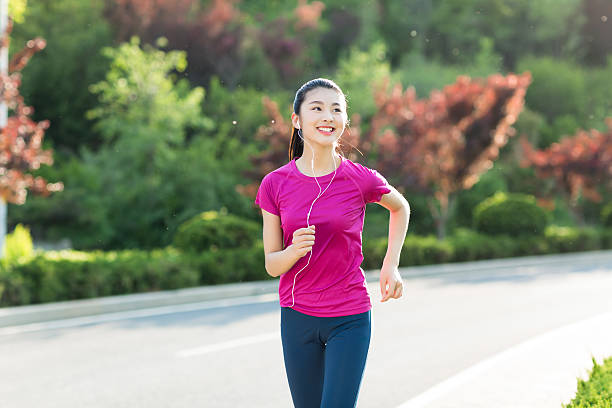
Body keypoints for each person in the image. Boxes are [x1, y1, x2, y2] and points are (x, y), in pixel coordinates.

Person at [254, 78, 410, 408]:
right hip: (297, 316)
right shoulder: (275, 184)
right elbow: (271, 264)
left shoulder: (359, 178)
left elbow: (401, 207)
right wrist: (293, 250)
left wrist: (390, 264)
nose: (328, 116)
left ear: (344, 122)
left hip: (349, 316)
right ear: (296, 120)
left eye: (336, 109)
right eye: (317, 108)